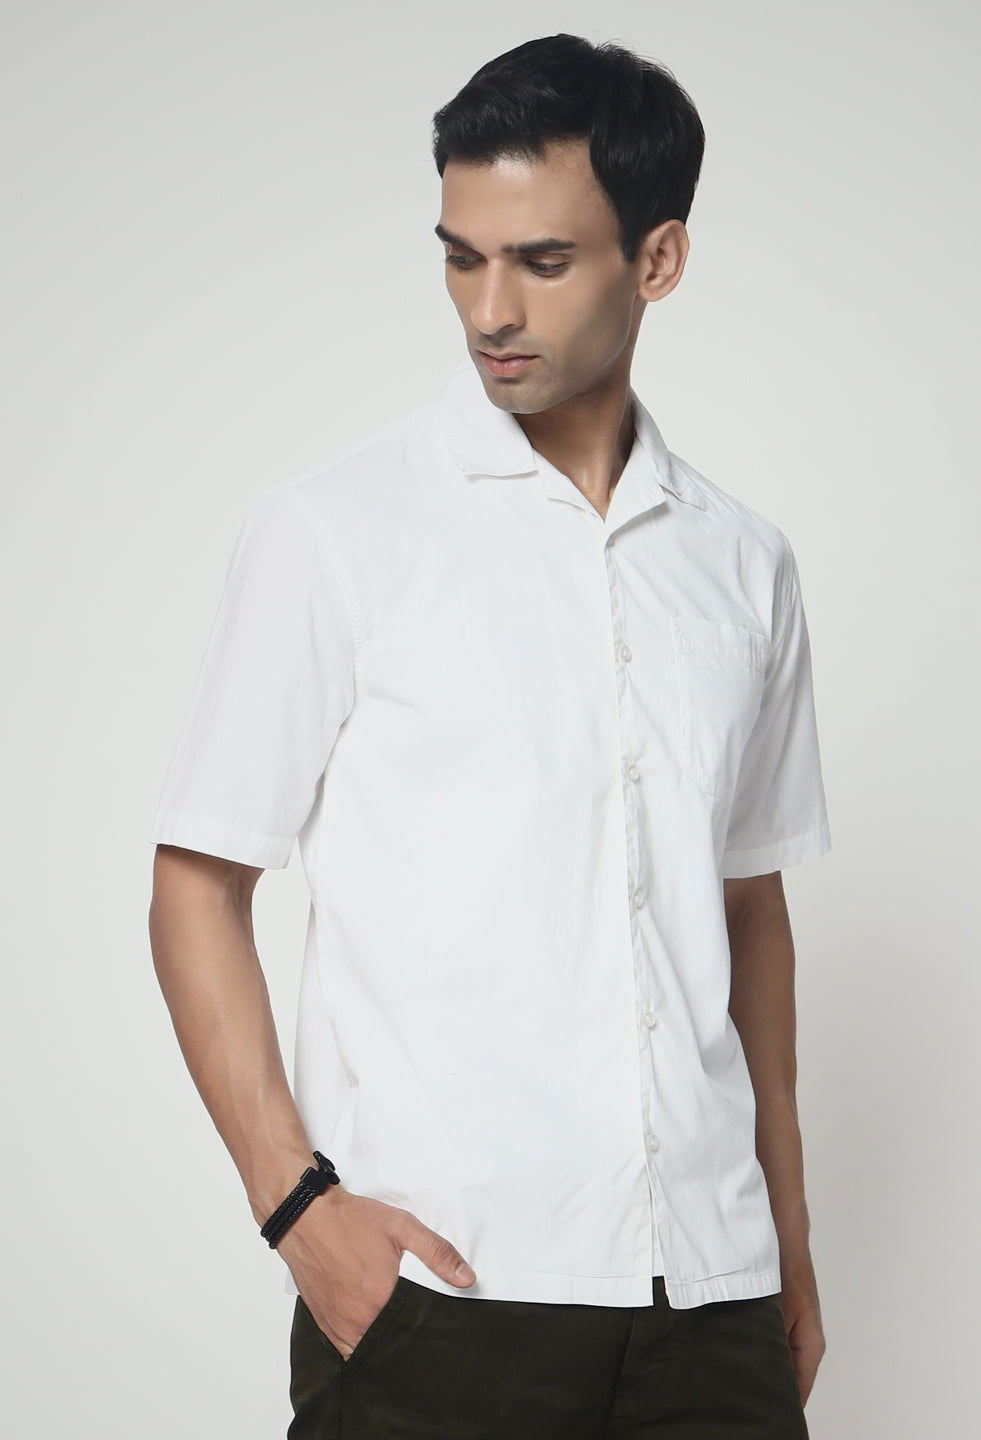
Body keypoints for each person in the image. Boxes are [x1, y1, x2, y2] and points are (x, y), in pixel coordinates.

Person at [148, 32, 832, 1439]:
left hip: (712, 1301)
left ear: (658, 260)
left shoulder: (744, 564)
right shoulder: (339, 530)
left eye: (542, 260)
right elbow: (197, 883)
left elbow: (748, 911)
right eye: (462, 258)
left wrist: (790, 1243)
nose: (489, 309)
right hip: (441, 1298)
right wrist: (297, 1209)